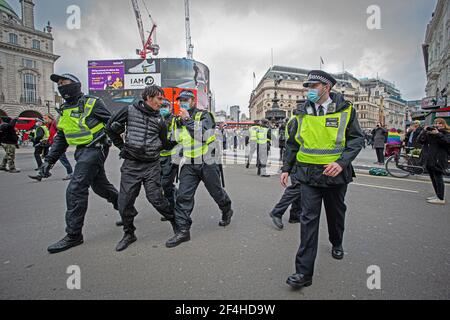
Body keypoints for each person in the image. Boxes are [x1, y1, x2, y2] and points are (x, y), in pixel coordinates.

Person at [282, 70, 364, 289]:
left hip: (335, 174)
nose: (309, 91)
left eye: (313, 87)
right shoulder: (300, 112)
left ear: (326, 88)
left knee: (335, 214)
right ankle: (303, 273)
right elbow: (292, 142)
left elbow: (356, 140)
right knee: (308, 221)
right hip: (308, 174)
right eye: (307, 87)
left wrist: (341, 163)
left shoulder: (346, 110)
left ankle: (337, 242)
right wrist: (286, 168)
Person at [42, 73, 123, 254]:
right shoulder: (63, 109)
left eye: (65, 82)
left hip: (96, 148)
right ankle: (127, 210)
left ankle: (73, 234)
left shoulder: (92, 103)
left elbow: (111, 122)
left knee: (76, 188)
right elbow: (61, 138)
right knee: (100, 187)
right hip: (81, 151)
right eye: (59, 84)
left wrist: (115, 130)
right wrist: (49, 160)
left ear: (76, 85)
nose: (62, 86)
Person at [106, 86, 177, 251]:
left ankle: (176, 223)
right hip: (131, 165)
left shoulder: (159, 120)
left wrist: (177, 142)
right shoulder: (129, 110)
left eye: (163, 100)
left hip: (152, 165)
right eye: (159, 99)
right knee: (124, 202)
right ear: (149, 97)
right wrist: (121, 147)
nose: (162, 103)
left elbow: (164, 143)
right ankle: (129, 233)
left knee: (156, 199)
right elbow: (110, 128)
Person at [165, 90, 234, 248]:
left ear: (193, 101)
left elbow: (203, 136)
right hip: (189, 163)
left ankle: (227, 210)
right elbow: (173, 140)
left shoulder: (204, 115)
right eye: (180, 100)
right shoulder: (177, 120)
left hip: (207, 161)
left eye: (186, 99)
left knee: (216, 193)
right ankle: (183, 231)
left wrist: (187, 120)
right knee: (183, 196)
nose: (182, 102)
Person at [28, 114, 74, 182]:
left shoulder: (55, 123)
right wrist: (48, 141)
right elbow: (52, 135)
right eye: (44, 118)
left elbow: (60, 134)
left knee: (63, 160)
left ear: (50, 118)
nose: (44, 120)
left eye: (46, 118)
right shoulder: (49, 125)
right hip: (54, 145)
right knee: (49, 160)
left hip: (58, 146)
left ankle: (70, 173)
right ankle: (41, 174)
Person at [159, 98, 181, 221]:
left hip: (171, 157)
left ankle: (171, 210)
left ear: (170, 108)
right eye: (161, 106)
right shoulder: (155, 118)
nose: (162, 108)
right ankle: (174, 192)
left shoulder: (175, 120)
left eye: (165, 106)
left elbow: (180, 138)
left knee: (165, 184)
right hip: (156, 156)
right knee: (158, 185)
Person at [418, 118, 450, 205]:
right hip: (430, 159)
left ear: (444, 125)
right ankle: (437, 195)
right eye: (436, 123)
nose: (438, 125)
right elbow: (420, 141)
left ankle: (440, 198)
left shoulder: (446, 133)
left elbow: (447, 142)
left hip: (439, 159)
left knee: (438, 178)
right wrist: (424, 131)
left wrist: (438, 134)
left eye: (440, 123)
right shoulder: (430, 133)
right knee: (433, 178)